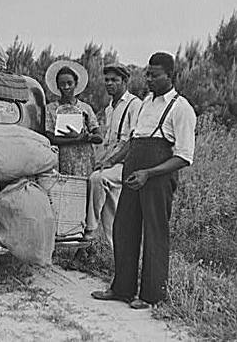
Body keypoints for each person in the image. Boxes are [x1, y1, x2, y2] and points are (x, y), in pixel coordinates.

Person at [91, 52, 196, 309]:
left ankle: (152, 295)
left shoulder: (181, 108)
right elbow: (134, 141)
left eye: (154, 75)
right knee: (124, 229)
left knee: (154, 233)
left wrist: (149, 173)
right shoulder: (146, 103)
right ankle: (122, 289)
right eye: (147, 73)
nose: (148, 79)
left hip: (157, 178)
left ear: (170, 76)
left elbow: (183, 156)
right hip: (133, 173)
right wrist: (112, 161)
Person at [84, 63, 141, 244]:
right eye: (107, 80)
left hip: (126, 162)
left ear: (124, 81)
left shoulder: (134, 104)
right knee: (111, 212)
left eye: (114, 80)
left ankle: (90, 230)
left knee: (97, 180)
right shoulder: (110, 108)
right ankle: (114, 255)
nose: (109, 84)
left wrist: (110, 162)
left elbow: (133, 140)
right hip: (112, 158)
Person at [44, 60, 102, 177]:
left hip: (84, 159)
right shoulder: (50, 109)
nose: (66, 87)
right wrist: (75, 139)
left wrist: (86, 137)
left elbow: (99, 137)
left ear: (76, 84)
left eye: (69, 83)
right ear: (57, 86)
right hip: (61, 158)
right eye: (62, 84)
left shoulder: (85, 108)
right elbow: (50, 137)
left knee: (84, 189)